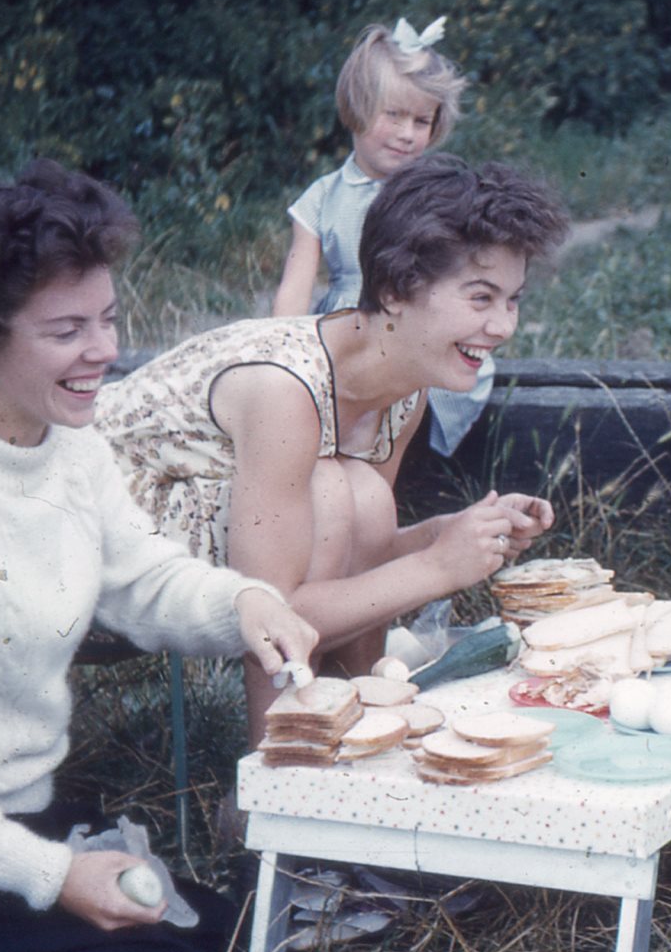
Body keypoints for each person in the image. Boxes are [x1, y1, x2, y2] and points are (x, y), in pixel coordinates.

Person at [0, 161, 319, 952]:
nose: (104, 349)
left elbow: (137, 577)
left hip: (16, 814)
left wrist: (243, 602)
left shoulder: (67, 447)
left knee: (238, 936)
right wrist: (54, 875)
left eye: (108, 318)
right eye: (67, 330)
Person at [97, 152, 568, 743]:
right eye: (481, 298)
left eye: (513, 300)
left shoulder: (405, 385)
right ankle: (277, 759)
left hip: (206, 546)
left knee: (363, 496)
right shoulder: (285, 388)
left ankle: (355, 737)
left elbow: (363, 552)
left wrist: (450, 534)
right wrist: (438, 567)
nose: (503, 326)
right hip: (91, 538)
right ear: (395, 290)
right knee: (331, 490)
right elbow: (275, 611)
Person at [271, 17, 489, 458]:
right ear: (358, 108)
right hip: (348, 331)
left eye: (422, 121)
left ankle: (392, 469)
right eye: (393, 115)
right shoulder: (322, 198)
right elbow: (295, 287)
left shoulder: (436, 194)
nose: (407, 135)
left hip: (417, 326)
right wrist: (280, 352)